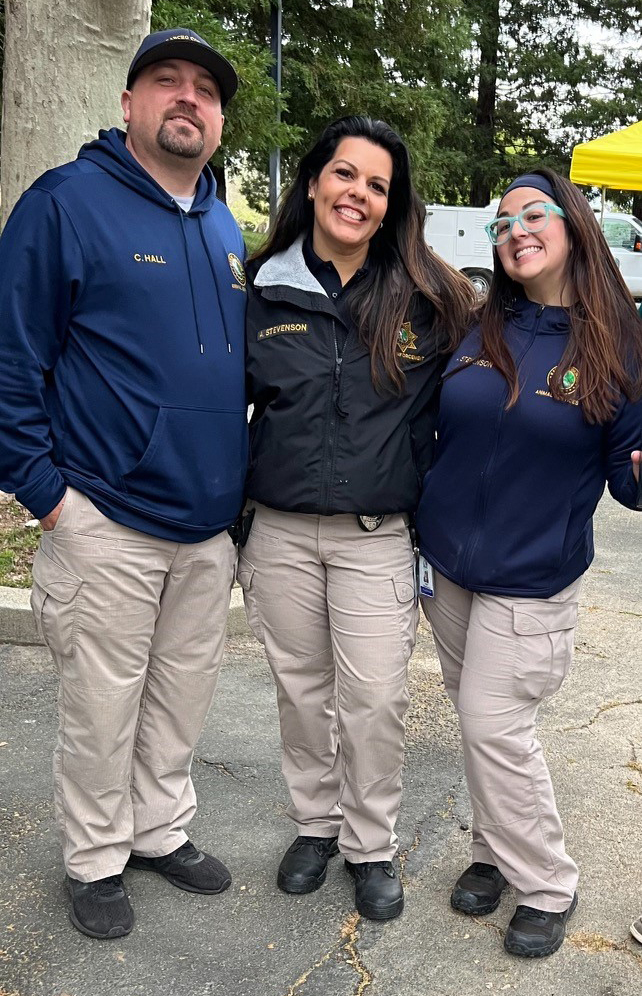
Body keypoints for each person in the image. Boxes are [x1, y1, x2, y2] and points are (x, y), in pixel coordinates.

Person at [0, 29, 247, 939]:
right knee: (102, 705)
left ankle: (158, 829)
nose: (188, 99)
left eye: (205, 92)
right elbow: (9, 364)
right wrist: (49, 498)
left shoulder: (224, 223)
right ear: (129, 105)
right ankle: (96, 857)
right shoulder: (66, 204)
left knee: (179, 698)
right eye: (166, 82)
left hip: (206, 524)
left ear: (219, 120)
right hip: (105, 515)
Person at [239, 116, 475, 921]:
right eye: (345, 175)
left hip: (377, 539)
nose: (358, 194)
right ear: (312, 184)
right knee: (302, 692)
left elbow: (483, 393)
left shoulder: (429, 298)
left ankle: (369, 844)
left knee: (373, 700)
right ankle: (315, 825)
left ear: (390, 205)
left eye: (376, 186)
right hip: (278, 534)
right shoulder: (259, 285)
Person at [416, 169, 642, 957]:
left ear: (573, 225)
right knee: (480, 728)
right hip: (447, 570)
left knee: (495, 728)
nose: (514, 231)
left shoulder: (620, 343)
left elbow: (626, 478)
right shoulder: (478, 327)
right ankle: (491, 853)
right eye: (500, 224)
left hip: (533, 580)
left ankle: (547, 881)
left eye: (531, 215)